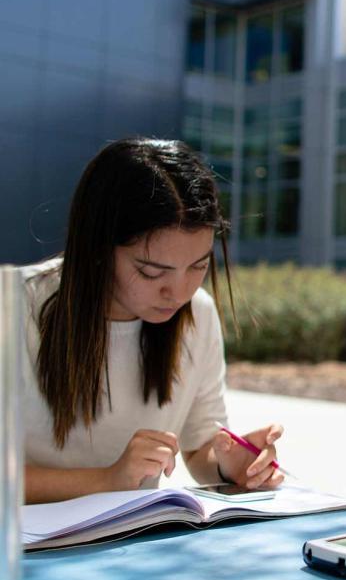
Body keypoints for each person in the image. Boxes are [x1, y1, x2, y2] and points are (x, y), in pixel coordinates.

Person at [23, 137, 284, 504]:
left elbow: (198, 449)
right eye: (150, 272)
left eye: (199, 266)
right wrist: (107, 480)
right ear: (98, 247)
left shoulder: (199, 313)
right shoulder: (15, 308)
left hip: (132, 543)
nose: (178, 292)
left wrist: (231, 464)